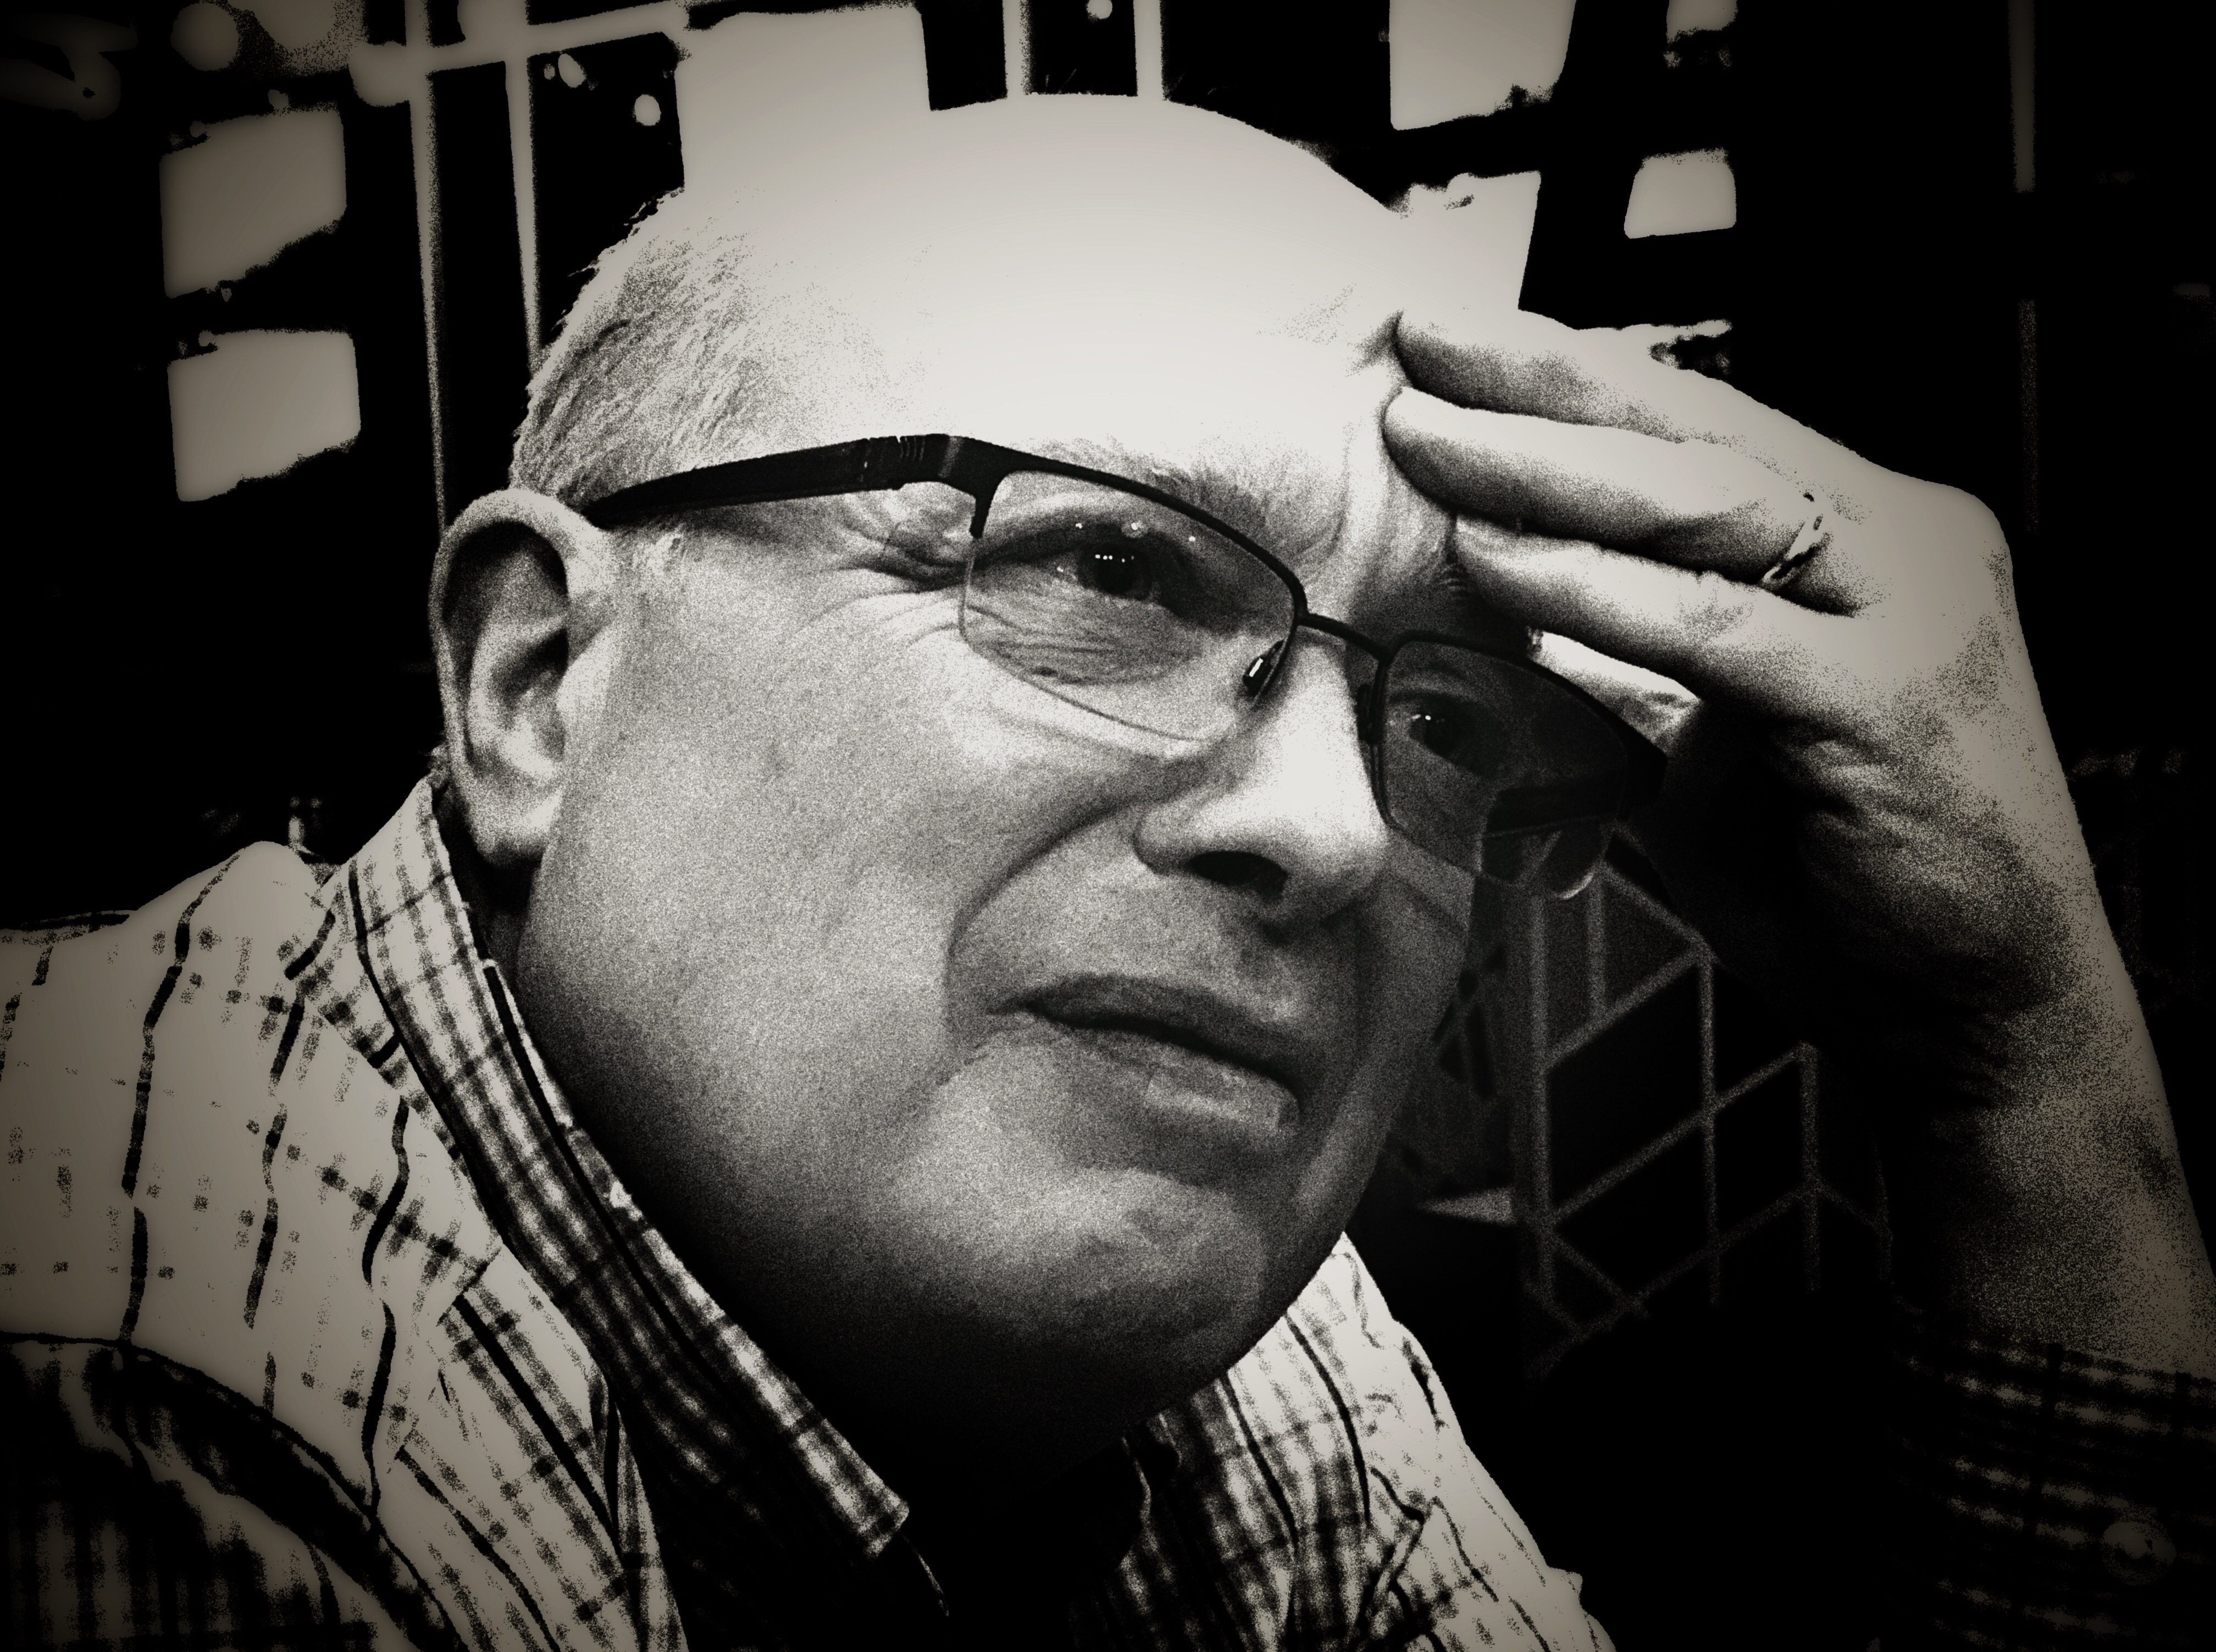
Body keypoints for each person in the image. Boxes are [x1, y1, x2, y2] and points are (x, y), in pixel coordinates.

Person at [3, 95, 2209, 1651]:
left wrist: (2023, 1091)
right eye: (1108, 574)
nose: (1331, 829)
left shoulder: (1208, 1333)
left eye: (1445, 721)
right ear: (538, 684)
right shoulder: (137, 1338)